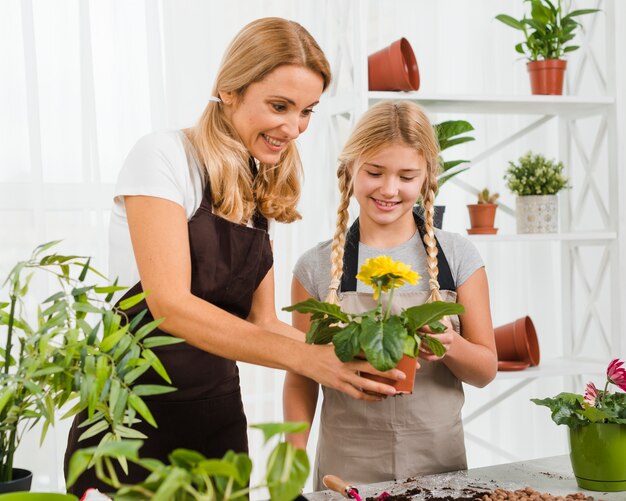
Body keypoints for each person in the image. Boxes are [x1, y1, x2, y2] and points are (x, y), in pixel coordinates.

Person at [64, 17, 404, 494]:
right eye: (280, 106)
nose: (294, 127)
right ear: (229, 90)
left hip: (217, 417)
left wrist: (350, 350)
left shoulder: (256, 181)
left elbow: (262, 321)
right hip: (129, 418)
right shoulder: (163, 157)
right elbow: (169, 307)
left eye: (307, 110)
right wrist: (312, 361)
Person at [283, 101, 498, 489]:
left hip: (439, 466)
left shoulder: (459, 256)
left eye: (406, 175)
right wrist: (292, 459)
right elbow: (301, 374)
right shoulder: (315, 267)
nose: (389, 189)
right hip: (346, 467)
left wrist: (451, 346)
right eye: (375, 172)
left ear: (427, 178)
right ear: (350, 169)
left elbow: (485, 370)